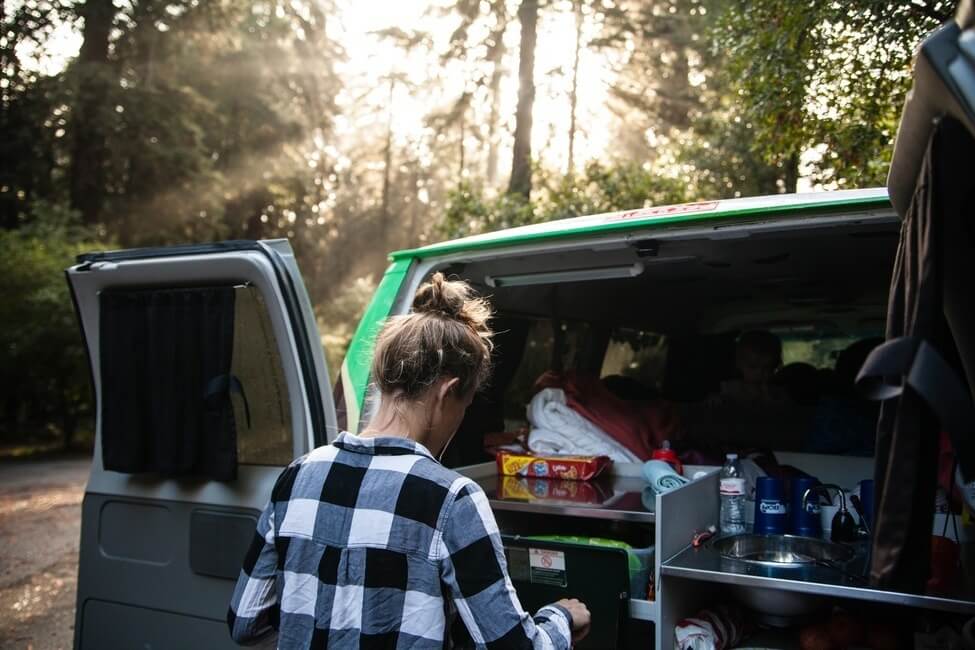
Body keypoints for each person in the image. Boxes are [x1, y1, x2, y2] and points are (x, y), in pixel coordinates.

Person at [228, 273, 591, 648]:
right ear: (448, 392)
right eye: (464, 407)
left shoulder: (297, 476)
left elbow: (245, 622)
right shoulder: (451, 499)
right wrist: (560, 617)